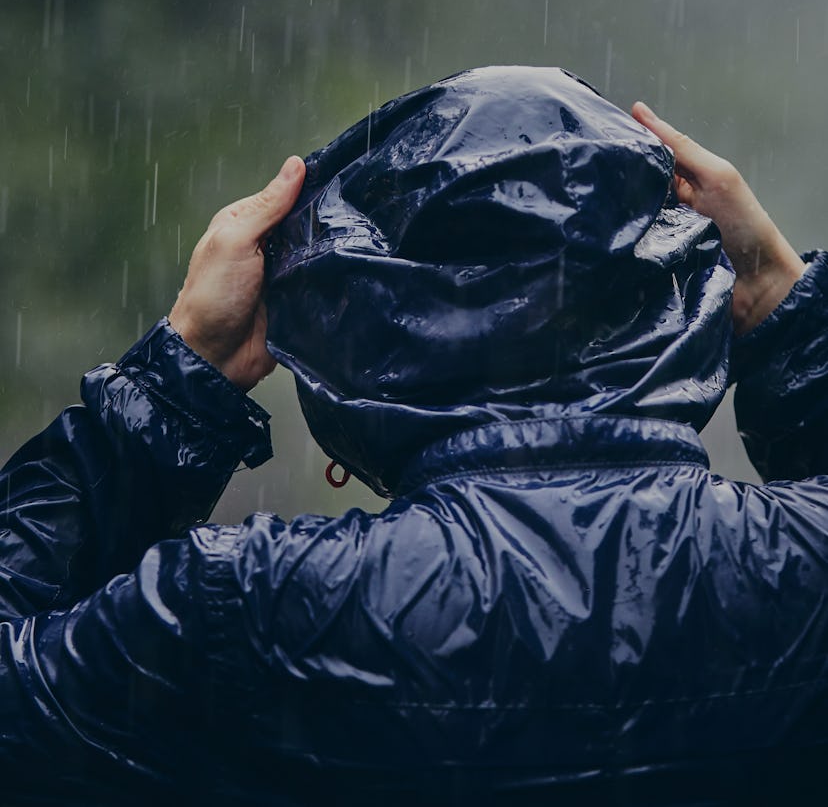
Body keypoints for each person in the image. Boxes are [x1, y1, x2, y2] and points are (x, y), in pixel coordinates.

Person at [0, 66, 825, 807]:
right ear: (683, 293)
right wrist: (789, 317)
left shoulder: (251, 611)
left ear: (361, 323)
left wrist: (179, 378)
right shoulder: (806, 570)